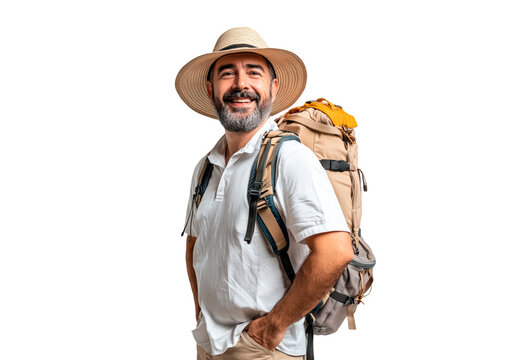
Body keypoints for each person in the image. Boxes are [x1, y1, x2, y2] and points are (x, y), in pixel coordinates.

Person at [176, 27, 354, 360]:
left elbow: (335, 251)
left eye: (253, 72)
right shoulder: (205, 168)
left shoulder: (290, 158)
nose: (240, 84)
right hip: (209, 344)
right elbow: (194, 244)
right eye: (227, 73)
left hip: (262, 349)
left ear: (272, 87)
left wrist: (274, 326)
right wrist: (201, 314)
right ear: (210, 88)